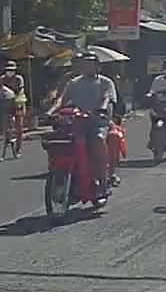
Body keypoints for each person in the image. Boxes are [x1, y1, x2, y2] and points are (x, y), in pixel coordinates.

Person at [48, 51, 119, 192]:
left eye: (90, 64)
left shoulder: (106, 82)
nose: (87, 67)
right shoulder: (74, 82)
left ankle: (103, 179)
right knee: (56, 141)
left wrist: (102, 108)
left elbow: (107, 98)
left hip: (97, 122)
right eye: (85, 64)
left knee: (98, 139)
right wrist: (50, 112)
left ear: (98, 67)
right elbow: (62, 100)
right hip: (76, 122)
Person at [0, 60, 26, 151]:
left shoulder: (19, 78)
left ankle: (18, 147)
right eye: (8, 70)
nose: (10, 72)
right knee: (4, 117)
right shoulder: (3, 78)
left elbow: (21, 89)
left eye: (12, 70)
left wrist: (18, 96)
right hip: (7, 102)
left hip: (18, 101)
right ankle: (5, 133)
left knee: (19, 126)